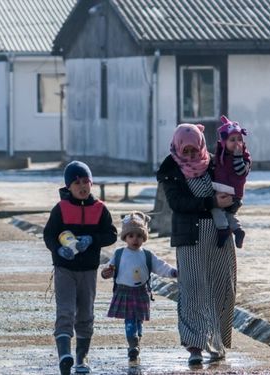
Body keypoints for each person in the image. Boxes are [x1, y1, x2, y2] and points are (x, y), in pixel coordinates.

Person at [156, 123, 236, 366]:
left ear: (202, 145)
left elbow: (233, 195)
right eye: (186, 150)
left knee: (223, 288)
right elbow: (178, 203)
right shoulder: (170, 169)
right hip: (190, 237)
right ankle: (195, 346)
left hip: (220, 236)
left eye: (194, 150)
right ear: (178, 148)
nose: (190, 155)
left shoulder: (216, 164)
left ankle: (217, 341)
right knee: (193, 290)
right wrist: (212, 202)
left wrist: (231, 202)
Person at [43, 161, 117, 375]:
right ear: (68, 187)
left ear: (91, 182)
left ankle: (81, 358)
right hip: (64, 268)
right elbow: (49, 235)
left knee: (85, 314)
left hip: (88, 270)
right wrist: (58, 250)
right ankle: (64, 355)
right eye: (77, 183)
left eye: (86, 181)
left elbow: (111, 234)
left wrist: (92, 239)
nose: (82, 186)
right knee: (65, 311)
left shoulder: (100, 209)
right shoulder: (61, 209)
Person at [100, 211, 177, 367]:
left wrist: (172, 272)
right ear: (125, 238)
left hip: (141, 292)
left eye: (139, 236)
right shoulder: (120, 253)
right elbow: (110, 269)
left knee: (139, 322)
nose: (135, 239)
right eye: (131, 236)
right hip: (124, 291)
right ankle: (132, 344)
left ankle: (137, 340)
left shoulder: (147, 255)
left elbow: (161, 266)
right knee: (130, 321)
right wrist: (106, 272)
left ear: (144, 238)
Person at [212, 115, 251, 248]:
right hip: (223, 190)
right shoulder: (221, 155)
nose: (237, 143)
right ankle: (238, 231)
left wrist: (238, 156)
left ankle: (223, 230)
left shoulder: (244, 157)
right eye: (232, 139)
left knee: (216, 209)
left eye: (239, 139)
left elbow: (241, 171)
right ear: (224, 142)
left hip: (234, 195)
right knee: (228, 215)